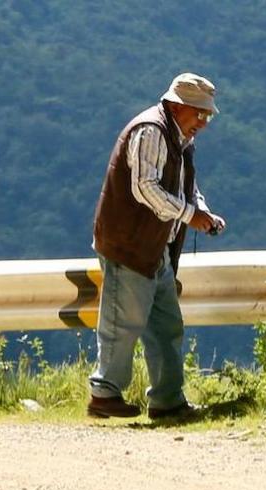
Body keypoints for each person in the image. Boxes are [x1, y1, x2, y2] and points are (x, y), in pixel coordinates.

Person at [87, 73, 225, 420]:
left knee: (166, 325)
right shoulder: (150, 131)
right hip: (129, 244)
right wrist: (189, 216)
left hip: (154, 246)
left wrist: (201, 212)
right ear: (178, 106)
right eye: (200, 114)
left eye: (207, 116)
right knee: (123, 323)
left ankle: (167, 401)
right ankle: (104, 394)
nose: (203, 123)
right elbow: (144, 188)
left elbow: (183, 186)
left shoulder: (178, 136)